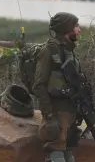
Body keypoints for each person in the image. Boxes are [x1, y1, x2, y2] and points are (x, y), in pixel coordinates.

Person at [32, 12, 82, 162]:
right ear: (67, 28)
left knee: (68, 155)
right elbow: (39, 85)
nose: (79, 29)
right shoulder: (50, 50)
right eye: (76, 26)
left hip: (69, 112)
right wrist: (48, 115)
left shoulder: (68, 50)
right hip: (56, 113)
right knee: (57, 156)